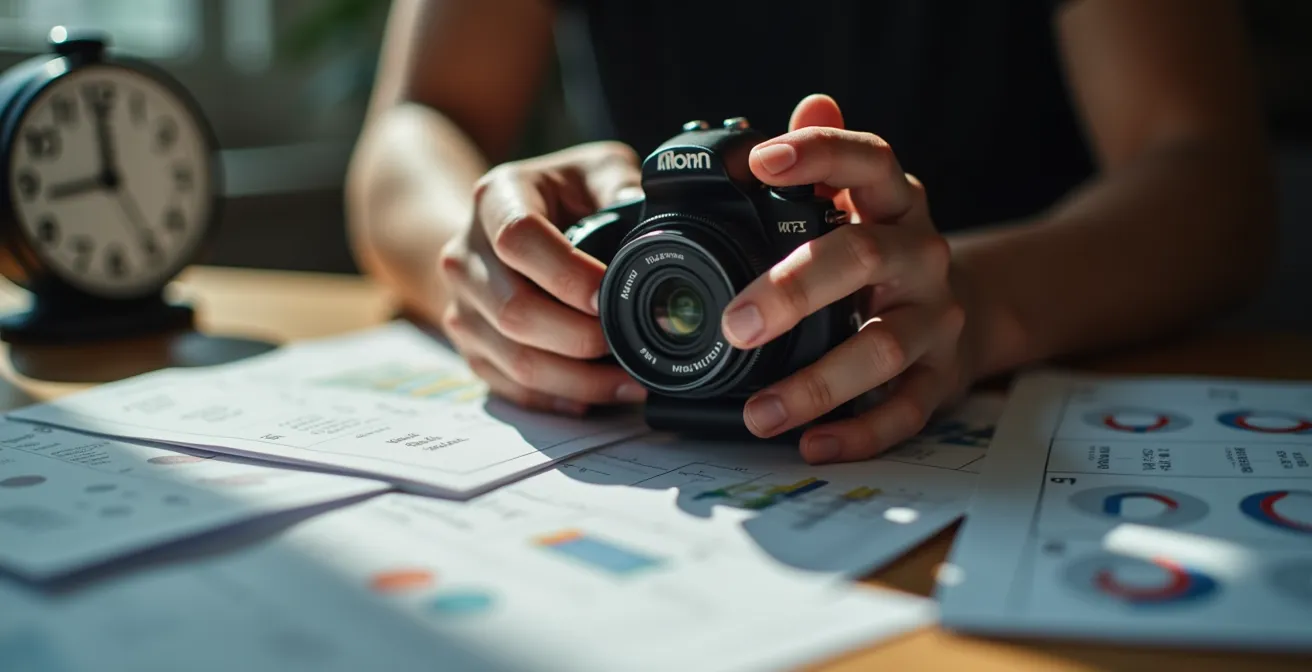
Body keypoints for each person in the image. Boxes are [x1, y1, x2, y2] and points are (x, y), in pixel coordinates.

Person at [345, 0, 1275, 465]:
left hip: (1028, 395)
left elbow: (1208, 179)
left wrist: (970, 310)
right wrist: (487, 261)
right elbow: (412, 126)